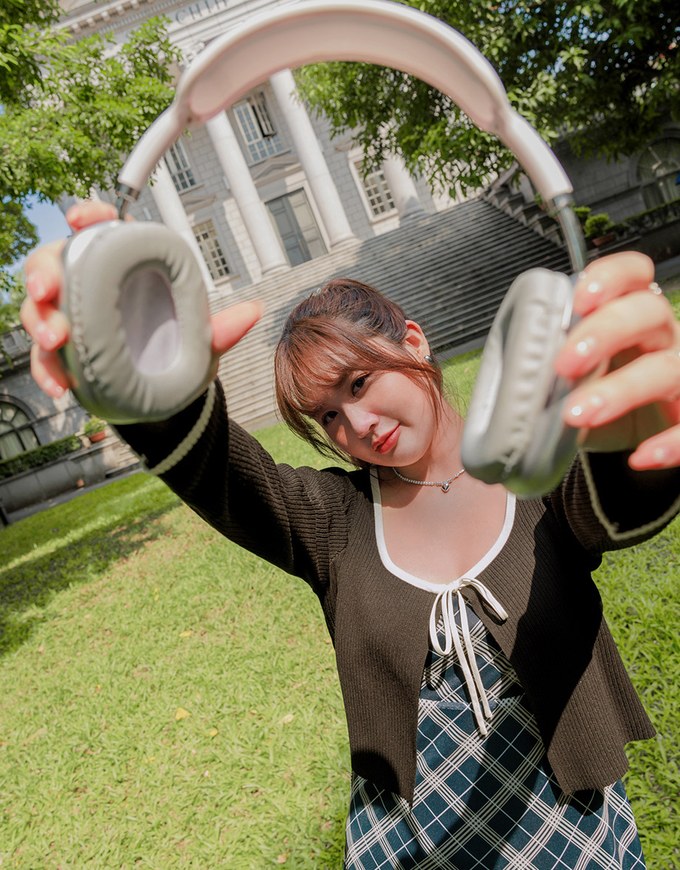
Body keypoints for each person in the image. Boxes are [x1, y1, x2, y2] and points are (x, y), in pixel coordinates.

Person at [22, 201, 680, 868]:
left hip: (565, 818)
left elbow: (619, 501)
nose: (359, 425)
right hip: (409, 834)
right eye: (330, 416)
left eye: (360, 382)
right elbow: (213, 467)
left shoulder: (535, 465)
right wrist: (133, 366)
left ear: (414, 342)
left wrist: (647, 424)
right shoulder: (333, 520)